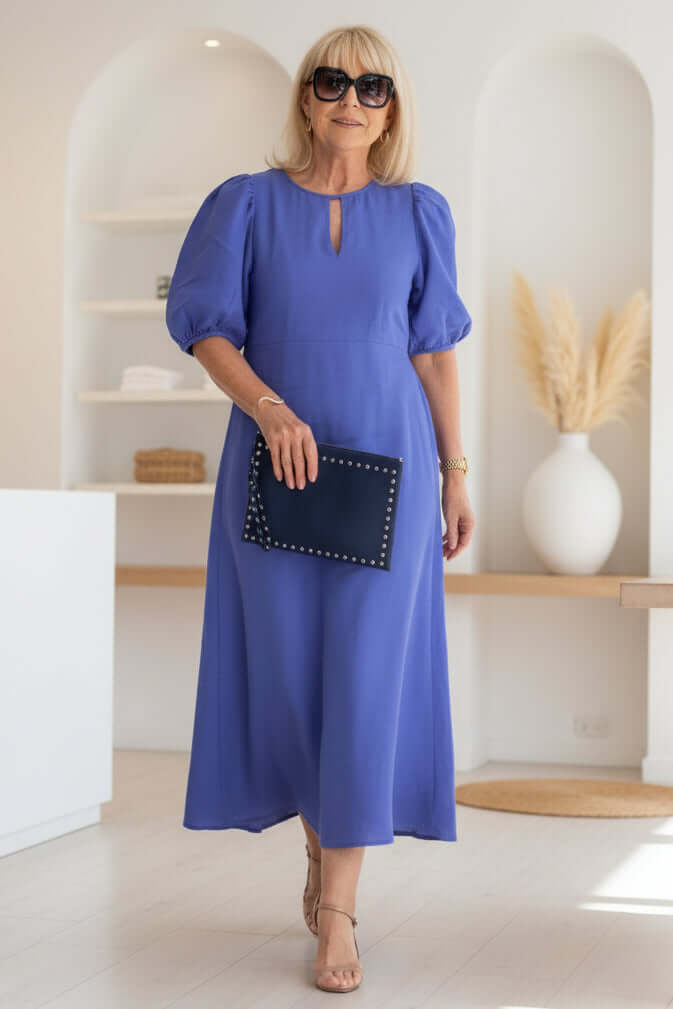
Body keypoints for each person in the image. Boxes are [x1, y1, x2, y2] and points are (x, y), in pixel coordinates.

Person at [165, 23, 475, 994]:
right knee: (293, 680)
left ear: (391, 109)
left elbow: (432, 351)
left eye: (371, 86)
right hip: (276, 469)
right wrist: (267, 407)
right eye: (331, 81)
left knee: (365, 680)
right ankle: (319, 841)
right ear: (305, 98)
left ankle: (337, 910)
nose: (350, 99)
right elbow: (208, 331)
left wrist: (455, 470)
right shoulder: (244, 204)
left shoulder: (418, 212)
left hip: (391, 472)